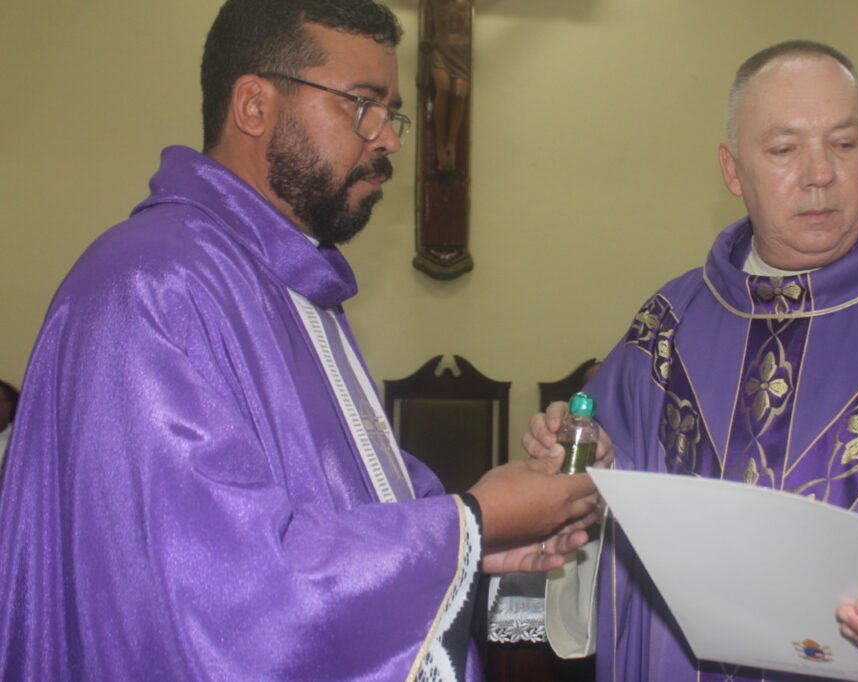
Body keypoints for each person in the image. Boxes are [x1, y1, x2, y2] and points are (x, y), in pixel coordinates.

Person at [0, 1, 599, 679]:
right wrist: (470, 522)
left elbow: (340, 500)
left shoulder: (289, 281)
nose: (392, 139)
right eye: (362, 105)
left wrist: (480, 541)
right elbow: (225, 595)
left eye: (394, 113)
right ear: (254, 106)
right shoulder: (151, 286)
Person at [526, 40, 858, 682]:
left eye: (844, 145)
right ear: (733, 172)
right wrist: (580, 471)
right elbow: (594, 514)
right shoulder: (666, 330)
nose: (819, 173)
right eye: (785, 149)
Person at [422, 0, 471, 172]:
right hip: (440, 47)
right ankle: (440, 145)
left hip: (461, 49)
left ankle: (451, 143)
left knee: (459, 93)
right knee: (443, 88)